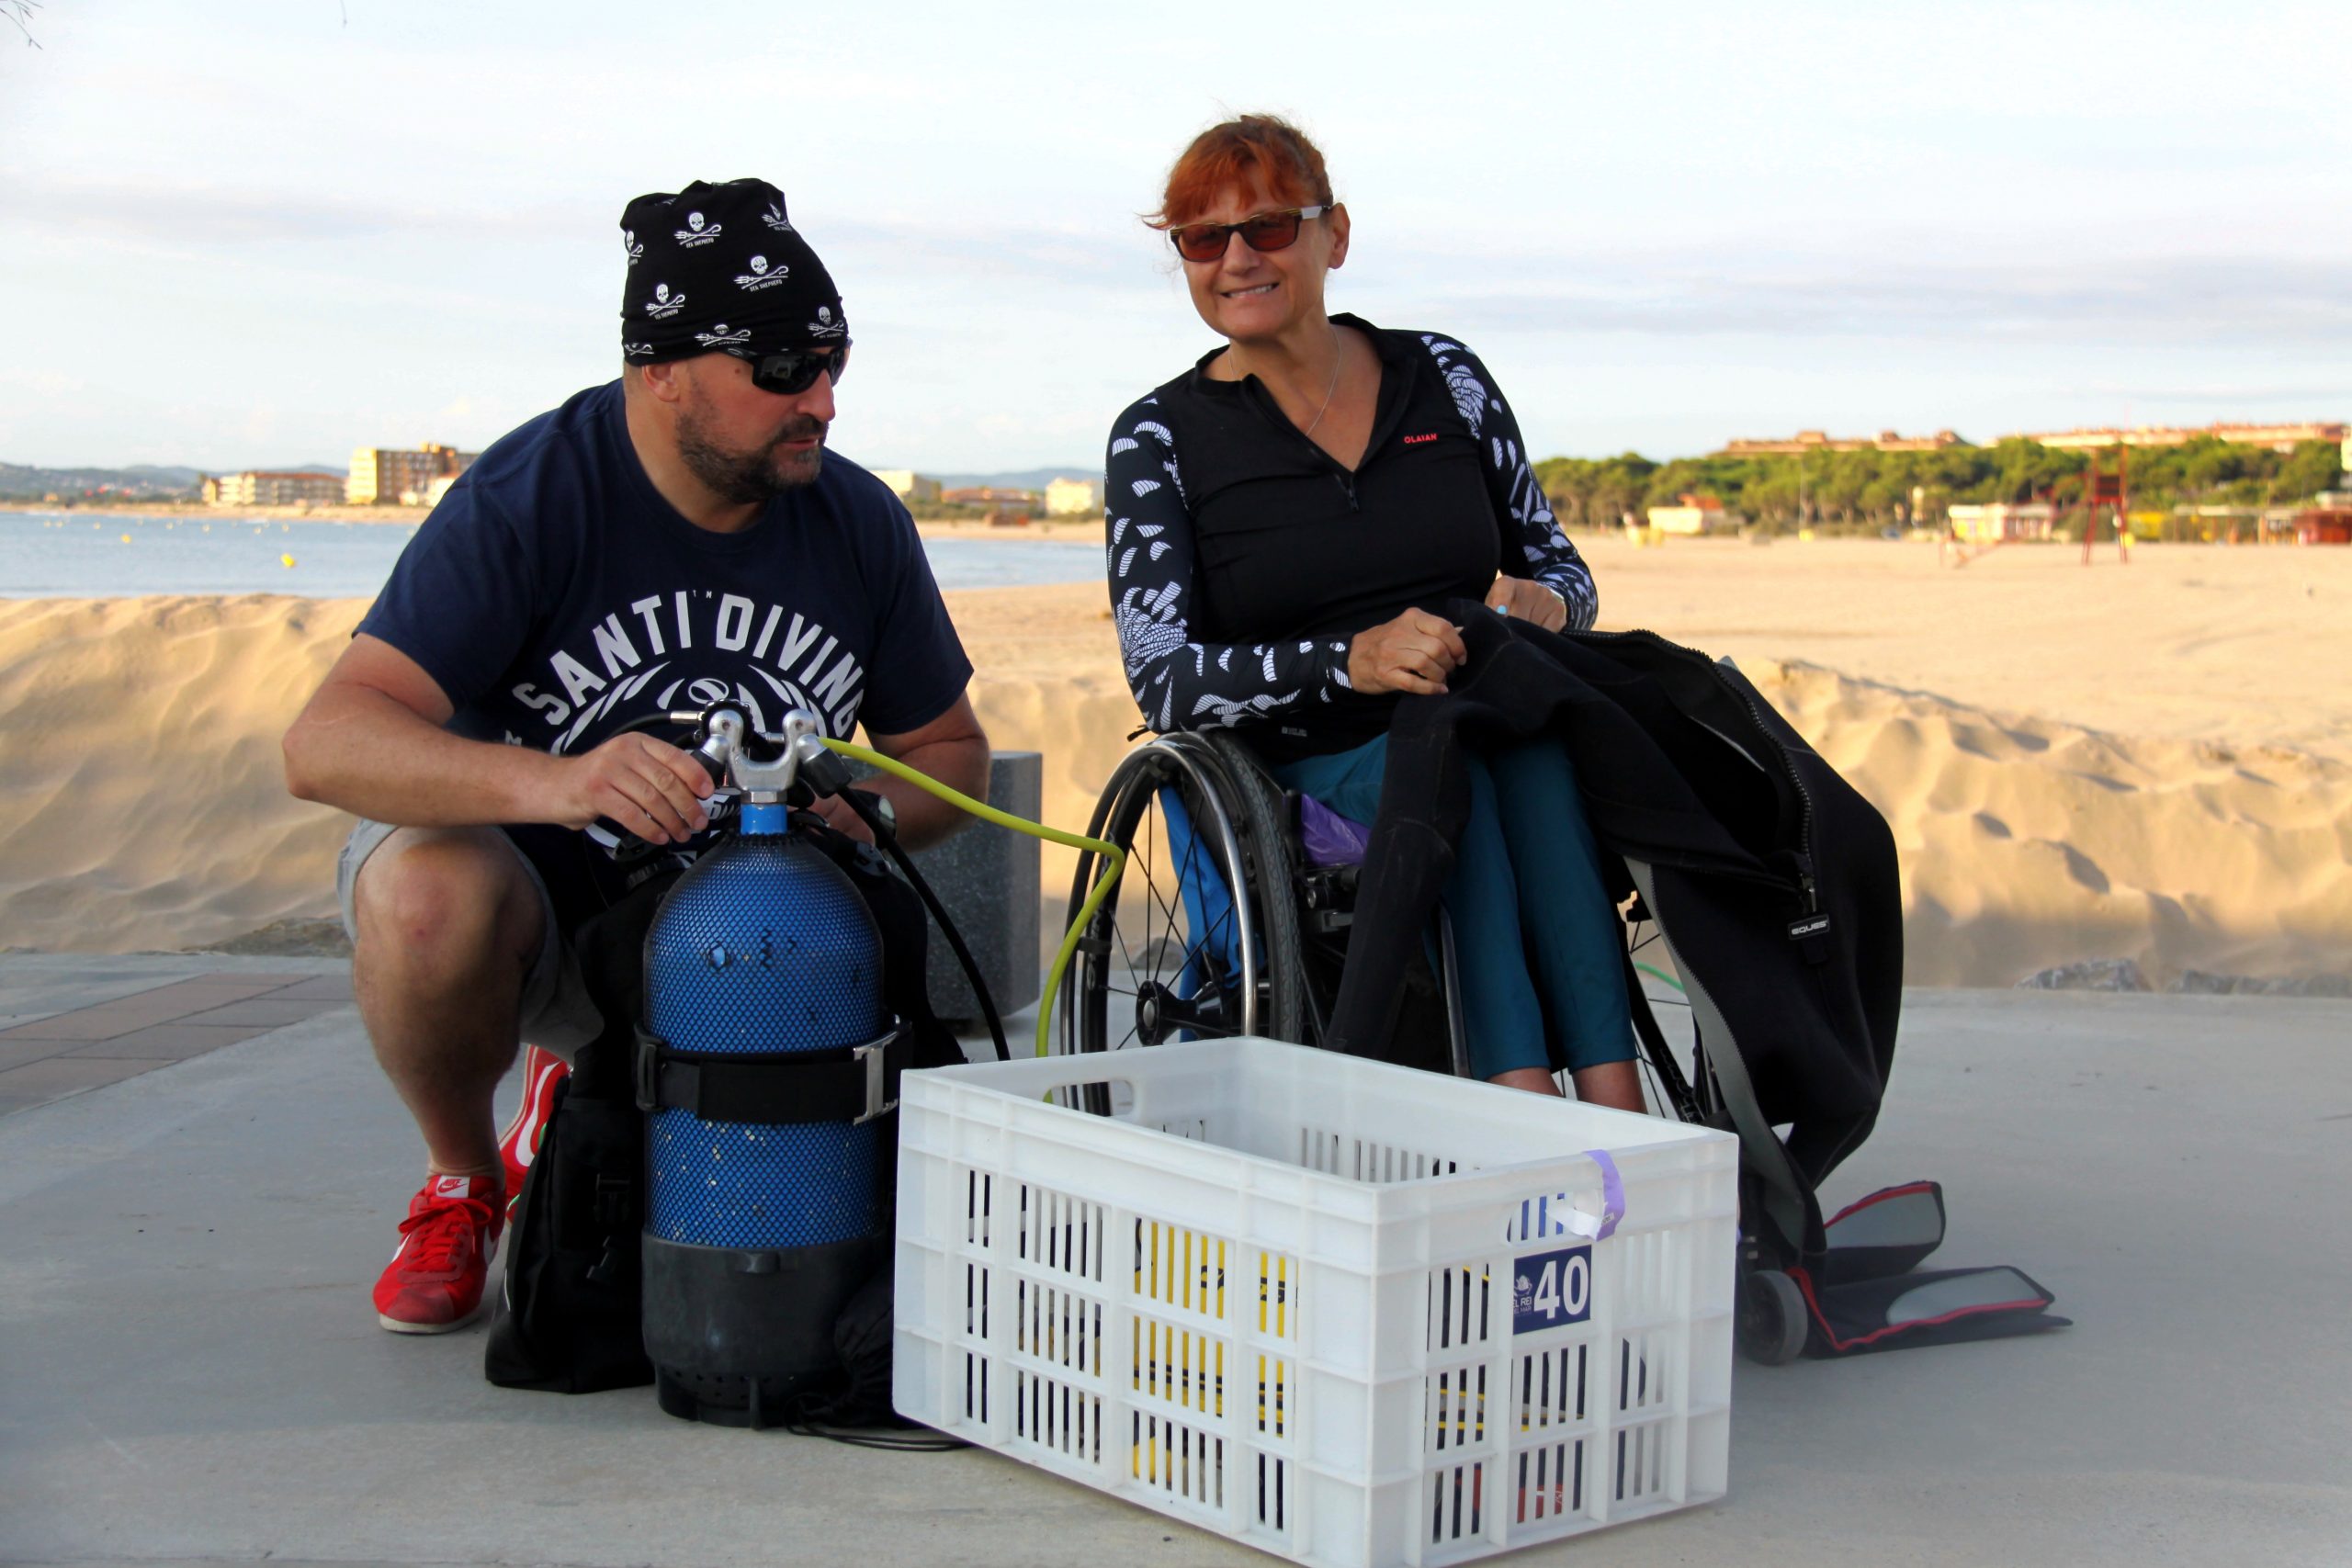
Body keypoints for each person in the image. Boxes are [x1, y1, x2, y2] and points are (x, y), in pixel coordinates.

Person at [282, 178, 989, 1335]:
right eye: (779, 370)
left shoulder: (858, 520)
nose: (818, 400)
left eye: (831, 361)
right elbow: (326, 741)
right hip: (559, 919)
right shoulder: (530, 498)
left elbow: (951, 751)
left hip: (768, 946)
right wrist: (559, 783)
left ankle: (598, 1090)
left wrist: (877, 811)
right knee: (424, 895)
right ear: (660, 368)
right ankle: (465, 1178)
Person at [1103, 115, 1643, 1111]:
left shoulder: (1447, 377)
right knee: (1454, 763)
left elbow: (1567, 572)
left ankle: (1617, 1114)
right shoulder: (1160, 438)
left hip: (1480, 713)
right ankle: (1524, 1107)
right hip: (1301, 767)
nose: (1234, 259)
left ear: (1332, 236)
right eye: (1200, 238)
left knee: (1519, 750)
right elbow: (1162, 676)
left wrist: (1545, 605)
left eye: (1267, 227)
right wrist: (1347, 660)